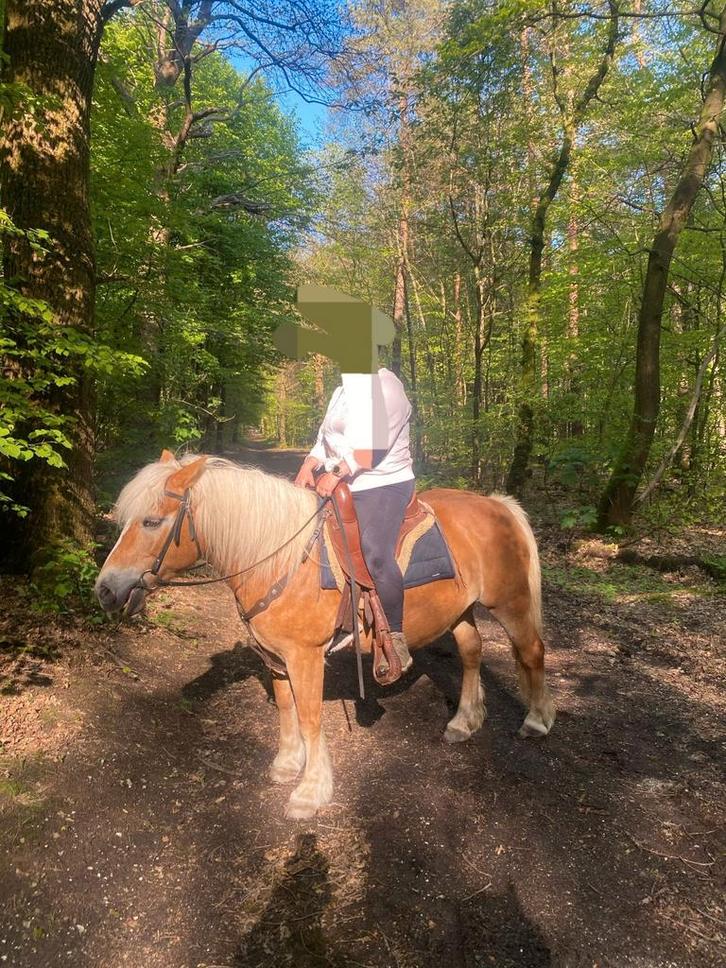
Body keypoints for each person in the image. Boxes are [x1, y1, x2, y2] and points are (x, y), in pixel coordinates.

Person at [294, 366, 415, 673]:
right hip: (345, 482)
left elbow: (373, 448)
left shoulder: (387, 387)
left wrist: (334, 475)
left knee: (373, 551)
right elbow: (325, 439)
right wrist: (310, 464)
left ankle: (396, 635)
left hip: (383, 483)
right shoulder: (342, 390)